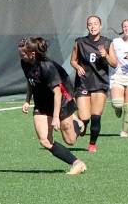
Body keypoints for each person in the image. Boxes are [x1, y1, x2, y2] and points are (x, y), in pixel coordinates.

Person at [19, 36, 86, 175]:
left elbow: (57, 93)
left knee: (70, 141)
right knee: (45, 140)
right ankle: (77, 163)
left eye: (23, 53)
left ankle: (76, 124)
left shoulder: (47, 67)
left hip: (61, 100)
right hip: (42, 103)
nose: (21, 55)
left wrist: (56, 118)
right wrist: (27, 100)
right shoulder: (25, 62)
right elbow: (30, 81)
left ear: (33, 53)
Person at [70, 15, 117, 153]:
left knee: (96, 115)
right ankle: (82, 123)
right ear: (87, 27)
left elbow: (114, 63)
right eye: (90, 24)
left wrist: (106, 56)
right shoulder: (79, 42)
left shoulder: (108, 43)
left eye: (95, 24)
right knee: (84, 117)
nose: (93, 26)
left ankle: (92, 144)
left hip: (100, 83)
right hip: (83, 83)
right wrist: (77, 67)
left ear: (100, 26)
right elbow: (73, 60)